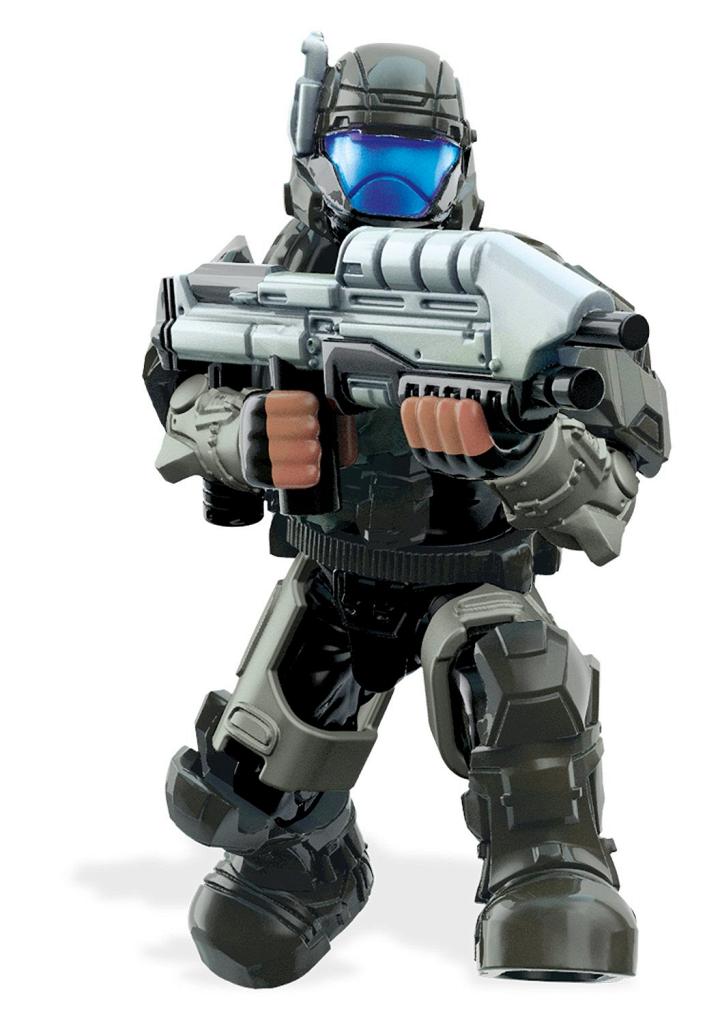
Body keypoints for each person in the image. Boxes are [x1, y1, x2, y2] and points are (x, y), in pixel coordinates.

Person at [144, 33, 670, 987]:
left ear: (459, 167)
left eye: (418, 165)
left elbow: (613, 491)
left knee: (524, 693)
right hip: (334, 584)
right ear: (318, 158)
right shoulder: (287, 277)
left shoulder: (516, 293)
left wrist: (519, 446)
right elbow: (187, 394)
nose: (392, 189)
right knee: (237, 818)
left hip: (472, 583)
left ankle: (552, 863)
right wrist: (244, 439)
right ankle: (313, 859)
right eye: (365, 161)